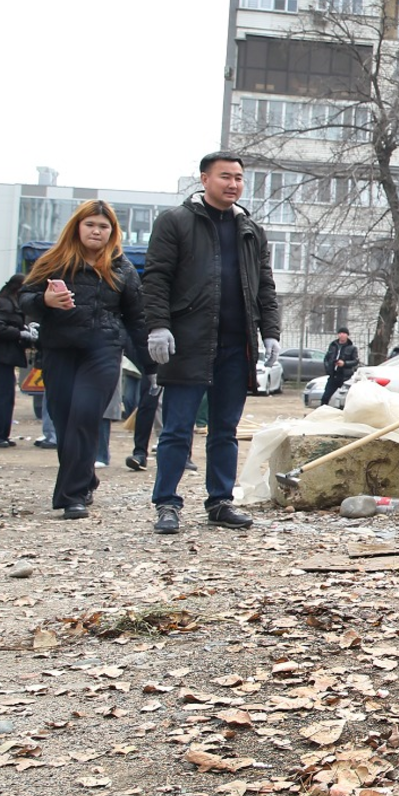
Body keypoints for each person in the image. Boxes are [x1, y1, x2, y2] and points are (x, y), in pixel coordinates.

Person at [142, 152, 280, 535]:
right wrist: (158, 326)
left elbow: (264, 286)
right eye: (225, 176)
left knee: (225, 429)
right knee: (177, 429)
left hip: (237, 345)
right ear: (204, 179)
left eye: (238, 177)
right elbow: (155, 278)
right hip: (188, 341)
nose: (233, 184)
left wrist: (270, 332)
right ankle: (167, 503)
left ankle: (220, 501)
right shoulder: (176, 222)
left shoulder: (250, 230)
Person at [19, 201, 149, 519]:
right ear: (78, 226)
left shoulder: (122, 268)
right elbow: (24, 298)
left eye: (103, 227)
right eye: (90, 224)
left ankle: (71, 496)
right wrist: (45, 300)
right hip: (59, 350)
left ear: (112, 232)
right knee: (64, 422)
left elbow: (136, 317)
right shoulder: (54, 261)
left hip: (103, 351)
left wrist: (149, 362)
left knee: (84, 416)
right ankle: (86, 478)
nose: (96, 231)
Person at [0, 274, 33, 448]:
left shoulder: (8, 302)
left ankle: (0, 434)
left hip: (5, 356)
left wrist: (24, 330)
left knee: (5, 396)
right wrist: (19, 333)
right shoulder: (3, 303)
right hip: (0, 356)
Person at [320, 328, 359, 408]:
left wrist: (344, 363)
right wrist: (328, 368)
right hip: (333, 375)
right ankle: (322, 412)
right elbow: (327, 358)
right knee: (325, 397)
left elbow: (355, 361)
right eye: (340, 333)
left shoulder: (352, 348)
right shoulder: (333, 346)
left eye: (344, 333)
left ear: (347, 335)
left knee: (344, 399)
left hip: (345, 377)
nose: (342, 335)